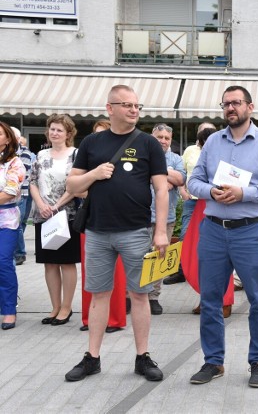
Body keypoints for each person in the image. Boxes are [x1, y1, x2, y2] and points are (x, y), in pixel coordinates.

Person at [64, 85, 168, 382]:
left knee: (140, 295)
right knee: (99, 295)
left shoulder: (148, 143)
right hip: (97, 232)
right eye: (127, 105)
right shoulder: (91, 143)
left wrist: (160, 231)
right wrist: (94, 174)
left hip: (136, 231)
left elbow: (161, 189)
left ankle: (143, 357)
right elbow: (72, 186)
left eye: (137, 105)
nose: (134, 110)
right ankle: (92, 357)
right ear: (109, 108)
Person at [187, 85, 258, 388]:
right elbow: (194, 181)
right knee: (211, 300)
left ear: (250, 107)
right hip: (214, 230)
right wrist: (211, 191)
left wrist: (244, 193)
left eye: (236, 103)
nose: (231, 108)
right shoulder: (213, 142)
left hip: (251, 231)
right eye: (226, 104)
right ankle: (213, 362)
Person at [30, 114, 81, 326]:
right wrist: (41, 205)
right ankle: (55, 307)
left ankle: (67, 307)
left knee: (66, 263)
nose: (54, 133)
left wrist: (57, 205)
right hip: (44, 216)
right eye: (52, 129)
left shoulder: (76, 155)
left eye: (59, 130)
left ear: (68, 133)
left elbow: (76, 186)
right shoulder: (40, 155)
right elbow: (32, 182)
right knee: (49, 263)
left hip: (66, 215)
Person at [80, 120, 127, 333]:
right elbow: (76, 188)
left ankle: (115, 319)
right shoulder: (87, 154)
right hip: (93, 220)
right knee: (93, 279)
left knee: (117, 276)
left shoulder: (122, 155)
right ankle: (90, 319)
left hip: (122, 223)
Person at [139, 123, 185, 315]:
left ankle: (153, 297)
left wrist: (156, 175)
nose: (163, 141)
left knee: (159, 258)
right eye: (160, 137)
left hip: (166, 217)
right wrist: (166, 178)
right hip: (140, 216)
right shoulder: (143, 154)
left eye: (167, 138)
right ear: (152, 136)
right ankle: (130, 296)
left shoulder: (176, 158)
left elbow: (181, 179)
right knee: (137, 258)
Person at [164, 122, 216, 286]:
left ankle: (200, 273)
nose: (205, 135)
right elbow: (183, 172)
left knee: (210, 238)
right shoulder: (190, 151)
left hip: (210, 201)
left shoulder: (218, 150)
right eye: (202, 132)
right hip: (191, 200)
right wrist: (183, 191)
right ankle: (181, 271)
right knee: (185, 235)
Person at [0, 122, 26, 330]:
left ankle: (9, 310)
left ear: (7, 139)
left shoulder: (15, 163)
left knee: (3, 262)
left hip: (6, 221)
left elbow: (10, 192)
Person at [11, 127, 35, 266]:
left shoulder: (24, 154)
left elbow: (22, 175)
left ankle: (20, 253)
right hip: (11, 194)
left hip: (21, 194)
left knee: (18, 224)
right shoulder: (7, 153)